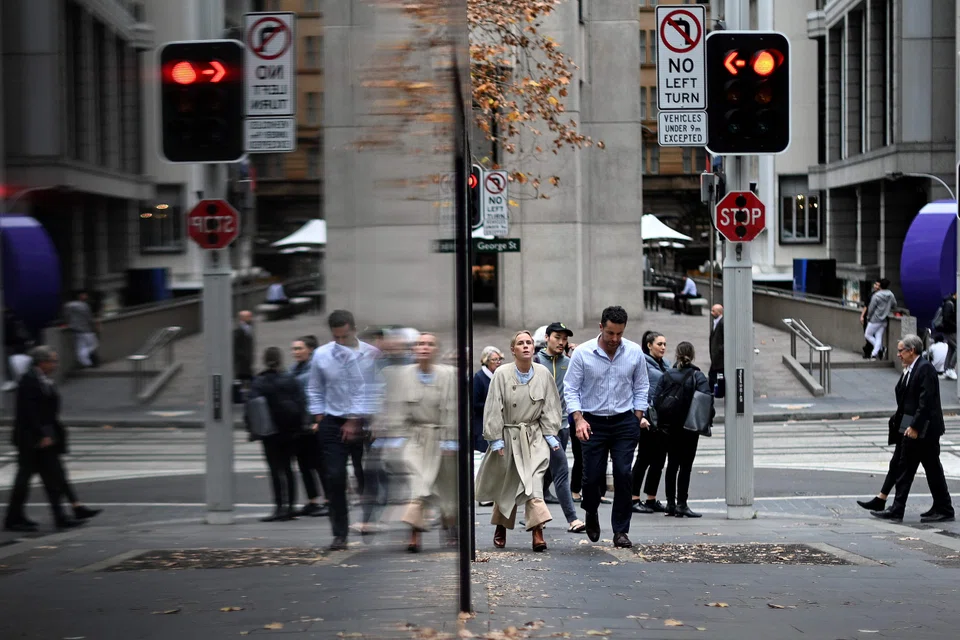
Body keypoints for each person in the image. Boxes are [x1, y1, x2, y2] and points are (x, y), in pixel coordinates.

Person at [564, 306, 649, 549]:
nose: (614, 339)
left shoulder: (633, 353)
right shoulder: (582, 353)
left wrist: (637, 415)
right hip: (593, 420)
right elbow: (570, 388)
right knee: (591, 478)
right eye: (610, 333)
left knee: (624, 474)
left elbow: (641, 386)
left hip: (624, 421)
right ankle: (591, 511)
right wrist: (579, 419)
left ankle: (621, 530)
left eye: (619, 334)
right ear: (601, 327)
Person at [475, 330, 562, 552]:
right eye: (520, 343)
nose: (525, 346)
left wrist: (551, 435)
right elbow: (493, 406)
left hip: (533, 437)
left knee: (534, 484)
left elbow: (550, 405)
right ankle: (501, 526)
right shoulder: (502, 374)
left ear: (534, 348)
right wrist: (495, 439)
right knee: (509, 483)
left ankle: (537, 531)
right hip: (509, 435)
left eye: (529, 343)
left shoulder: (543, 374)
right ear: (513, 350)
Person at [307, 310, 382, 551]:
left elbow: (371, 391)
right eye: (336, 337)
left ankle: (369, 519)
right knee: (335, 477)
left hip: (363, 421)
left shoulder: (370, 355)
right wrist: (319, 416)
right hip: (332, 420)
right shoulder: (322, 355)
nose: (341, 341)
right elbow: (315, 388)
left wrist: (356, 420)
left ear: (353, 329)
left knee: (367, 476)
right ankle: (339, 533)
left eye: (345, 336)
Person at [385, 333, 458, 552]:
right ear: (413, 349)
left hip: (441, 439)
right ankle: (414, 533)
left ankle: (450, 528)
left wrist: (450, 441)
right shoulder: (403, 375)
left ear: (436, 350)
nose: (424, 347)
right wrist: (396, 437)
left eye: (429, 344)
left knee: (447, 490)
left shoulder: (448, 375)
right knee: (418, 485)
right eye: (419, 344)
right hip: (415, 440)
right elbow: (397, 410)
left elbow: (452, 410)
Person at [869, 335, 954, 523]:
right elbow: (908, 400)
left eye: (901, 351)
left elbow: (926, 402)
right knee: (922, 468)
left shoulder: (925, 369)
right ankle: (942, 507)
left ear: (911, 350)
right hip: (913, 426)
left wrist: (914, 426)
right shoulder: (912, 369)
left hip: (925, 430)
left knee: (915, 468)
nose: (898, 355)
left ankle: (902, 509)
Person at [4, 347, 90, 532]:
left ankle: (59, 516)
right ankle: (15, 518)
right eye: (52, 361)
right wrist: (42, 435)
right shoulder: (29, 381)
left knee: (51, 479)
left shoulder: (41, 380)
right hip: (31, 440)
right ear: (41, 362)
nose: (55, 365)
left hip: (42, 438)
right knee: (27, 479)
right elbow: (30, 413)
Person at [534, 322, 587, 534]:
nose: (561, 342)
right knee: (561, 469)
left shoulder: (570, 362)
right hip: (540, 428)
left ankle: (535, 515)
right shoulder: (536, 361)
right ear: (547, 338)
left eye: (564, 339)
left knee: (547, 472)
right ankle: (573, 519)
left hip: (563, 426)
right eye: (557, 337)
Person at [246, 347, 307, 522]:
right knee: (289, 469)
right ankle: (291, 507)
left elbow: (251, 407)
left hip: (269, 433)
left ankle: (279, 507)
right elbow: (301, 402)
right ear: (280, 360)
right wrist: (301, 425)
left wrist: (252, 430)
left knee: (275, 470)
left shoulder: (260, 381)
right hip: (289, 431)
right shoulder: (290, 379)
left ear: (265, 360)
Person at [655, 341, 713, 518]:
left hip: (670, 428)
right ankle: (682, 504)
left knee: (671, 465)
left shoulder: (667, 375)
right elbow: (706, 402)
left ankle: (670, 504)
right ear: (692, 355)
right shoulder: (698, 376)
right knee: (685, 466)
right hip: (689, 427)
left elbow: (656, 400)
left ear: (676, 354)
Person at [290, 336, 328, 517]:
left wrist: (317, 421)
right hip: (300, 426)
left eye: (299, 348)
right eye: (294, 349)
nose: (295, 352)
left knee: (320, 464)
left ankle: (329, 500)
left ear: (310, 350)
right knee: (304, 465)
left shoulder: (315, 369)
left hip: (314, 425)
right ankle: (313, 500)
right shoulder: (293, 370)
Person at [632, 331, 669, 514]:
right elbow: (636, 389)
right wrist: (640, 415)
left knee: (659, 460)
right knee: (644, 458)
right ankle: (633, 498)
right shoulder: (643, 363)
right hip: (647, 418)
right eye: (659, 344)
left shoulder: (665, 365)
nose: (663, 347)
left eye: (664, 344)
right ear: (649, 345)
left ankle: (651, 498)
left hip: (661, 419)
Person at [472, 346, 504, 454]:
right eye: (494, 360)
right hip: (482, 425)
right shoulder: (479, 378)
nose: (498, 362)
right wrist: (493, 405)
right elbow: (475, 404)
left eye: (499, 359)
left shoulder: (499, 376)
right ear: (486, 361)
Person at [64, 290, 99, 368]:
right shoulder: (84, 306)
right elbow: (89, 318)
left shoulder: (68, 305)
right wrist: (94, 327)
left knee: (81, 347)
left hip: (75, 329)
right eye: (84, 295)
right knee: (92, 345)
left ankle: (86, 363)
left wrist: (69, 324)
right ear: (80, 296)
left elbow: (67, 316)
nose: (86, 297)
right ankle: (88, 363)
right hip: (86, 329)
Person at [863, 279, 896, 360]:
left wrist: (868, 316)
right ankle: (874, 353)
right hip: (884, 320)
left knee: (867, 335)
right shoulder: (891, 295)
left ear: (880, 286)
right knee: (878, 337)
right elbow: (894, 304)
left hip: (875, 319)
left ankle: (880, 349)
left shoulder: (876, 295)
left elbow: (871, 308)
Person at [233, 310, 255, 401]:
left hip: (247, 360)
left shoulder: (249, 327)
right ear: (243, 318)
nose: (251, 318)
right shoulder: (238, 331)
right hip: (242, 362)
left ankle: (245, 395)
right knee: (242, 378)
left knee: (247, 378)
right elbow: (236, 347)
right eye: (249, 316)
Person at [860, 281, 880, 359]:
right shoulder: (871, 294)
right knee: (867, 335)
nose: (876, 286)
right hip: (868, 317)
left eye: (878, 285)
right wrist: (862, 316)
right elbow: (866, 306)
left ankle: (873, 351)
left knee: (870, 335)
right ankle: (869, 351)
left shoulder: (880, 295)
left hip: (874, 318)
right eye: (875, 284)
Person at [708, 304, 724, 394]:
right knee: (715, 374)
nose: (711, 313)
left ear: (719, 312)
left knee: (713, 374)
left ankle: (711, 391)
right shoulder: (716, 321)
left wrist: (720, 349)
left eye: (713, 311)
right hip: (716, 356)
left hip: (719, 356)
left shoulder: (722, 323)